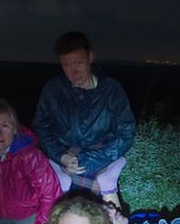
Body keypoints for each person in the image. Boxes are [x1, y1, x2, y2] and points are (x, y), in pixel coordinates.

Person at [32, 31, 136, 208]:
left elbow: (126, 134)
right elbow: (40, 128)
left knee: (94, 211)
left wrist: (89, 161)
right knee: (56, 205)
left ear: (90, 57)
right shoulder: (53, 90)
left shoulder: (111, 90)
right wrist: (60, 156)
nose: (74, 71)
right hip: (62, 151)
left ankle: (106, 185)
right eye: (67, 65)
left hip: (99, 151)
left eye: (78, 63)